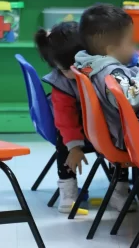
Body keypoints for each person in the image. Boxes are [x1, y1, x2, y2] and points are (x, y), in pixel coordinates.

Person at [74, 4, 139, 211]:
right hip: (133, 137)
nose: (134, 47)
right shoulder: (110, 71)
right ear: (110, 50)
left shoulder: (89, 62)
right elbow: (129, 98)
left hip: (113, 132)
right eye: (131, 42)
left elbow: (122, 72)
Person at [35, 23, 97, 213]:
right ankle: (68, 194)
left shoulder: (98, 68)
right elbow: (65, 119)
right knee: (64, 145)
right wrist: (75, 147)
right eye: (65, 70)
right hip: (69, 130)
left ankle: (120, 191)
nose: (72, 74)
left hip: (93, 125)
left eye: (77, 67)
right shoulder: (61, 84)